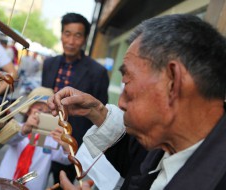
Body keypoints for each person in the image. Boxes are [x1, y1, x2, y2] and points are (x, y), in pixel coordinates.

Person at [47, 14, 226, 190]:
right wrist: (97, 111)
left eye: (127, 83)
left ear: (173, 82)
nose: (121, 103)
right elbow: (134, 161)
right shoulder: (164, 143)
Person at [41, 12, 109, 185]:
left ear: (85, 38)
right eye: (67, 34)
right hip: (45, 134)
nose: (71, 41)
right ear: (61, 34)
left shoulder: (97, 72)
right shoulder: (49, 64)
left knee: (63, 183)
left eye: (77, 36)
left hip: (72, 143)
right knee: (36, 179)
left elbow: (101, 114)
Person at [0, 87, 71, 190]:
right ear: (28, 110)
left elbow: (65, 160)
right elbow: (5, 139)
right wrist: (24, 130)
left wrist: (66, 146)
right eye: (39, 109)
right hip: (4, 183)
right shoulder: (17, 127)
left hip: (33, 186)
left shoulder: (52, 138)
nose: (43, 114)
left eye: (48, 112)